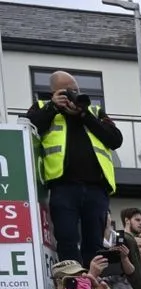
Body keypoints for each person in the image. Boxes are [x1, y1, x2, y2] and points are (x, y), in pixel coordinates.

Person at [23, 72, 124, 266]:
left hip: (96, 188)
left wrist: (84, 115)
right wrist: (54, 106)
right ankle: (75, 287)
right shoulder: (44, 108)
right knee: (67, 238)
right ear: (53, 92)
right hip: (63, 187)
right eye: (67, 91)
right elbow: (30, 126)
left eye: (76, 90)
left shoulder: (94, 111)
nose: (73, 95)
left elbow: (115, 139)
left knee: (94, 243)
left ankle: (94, 287)